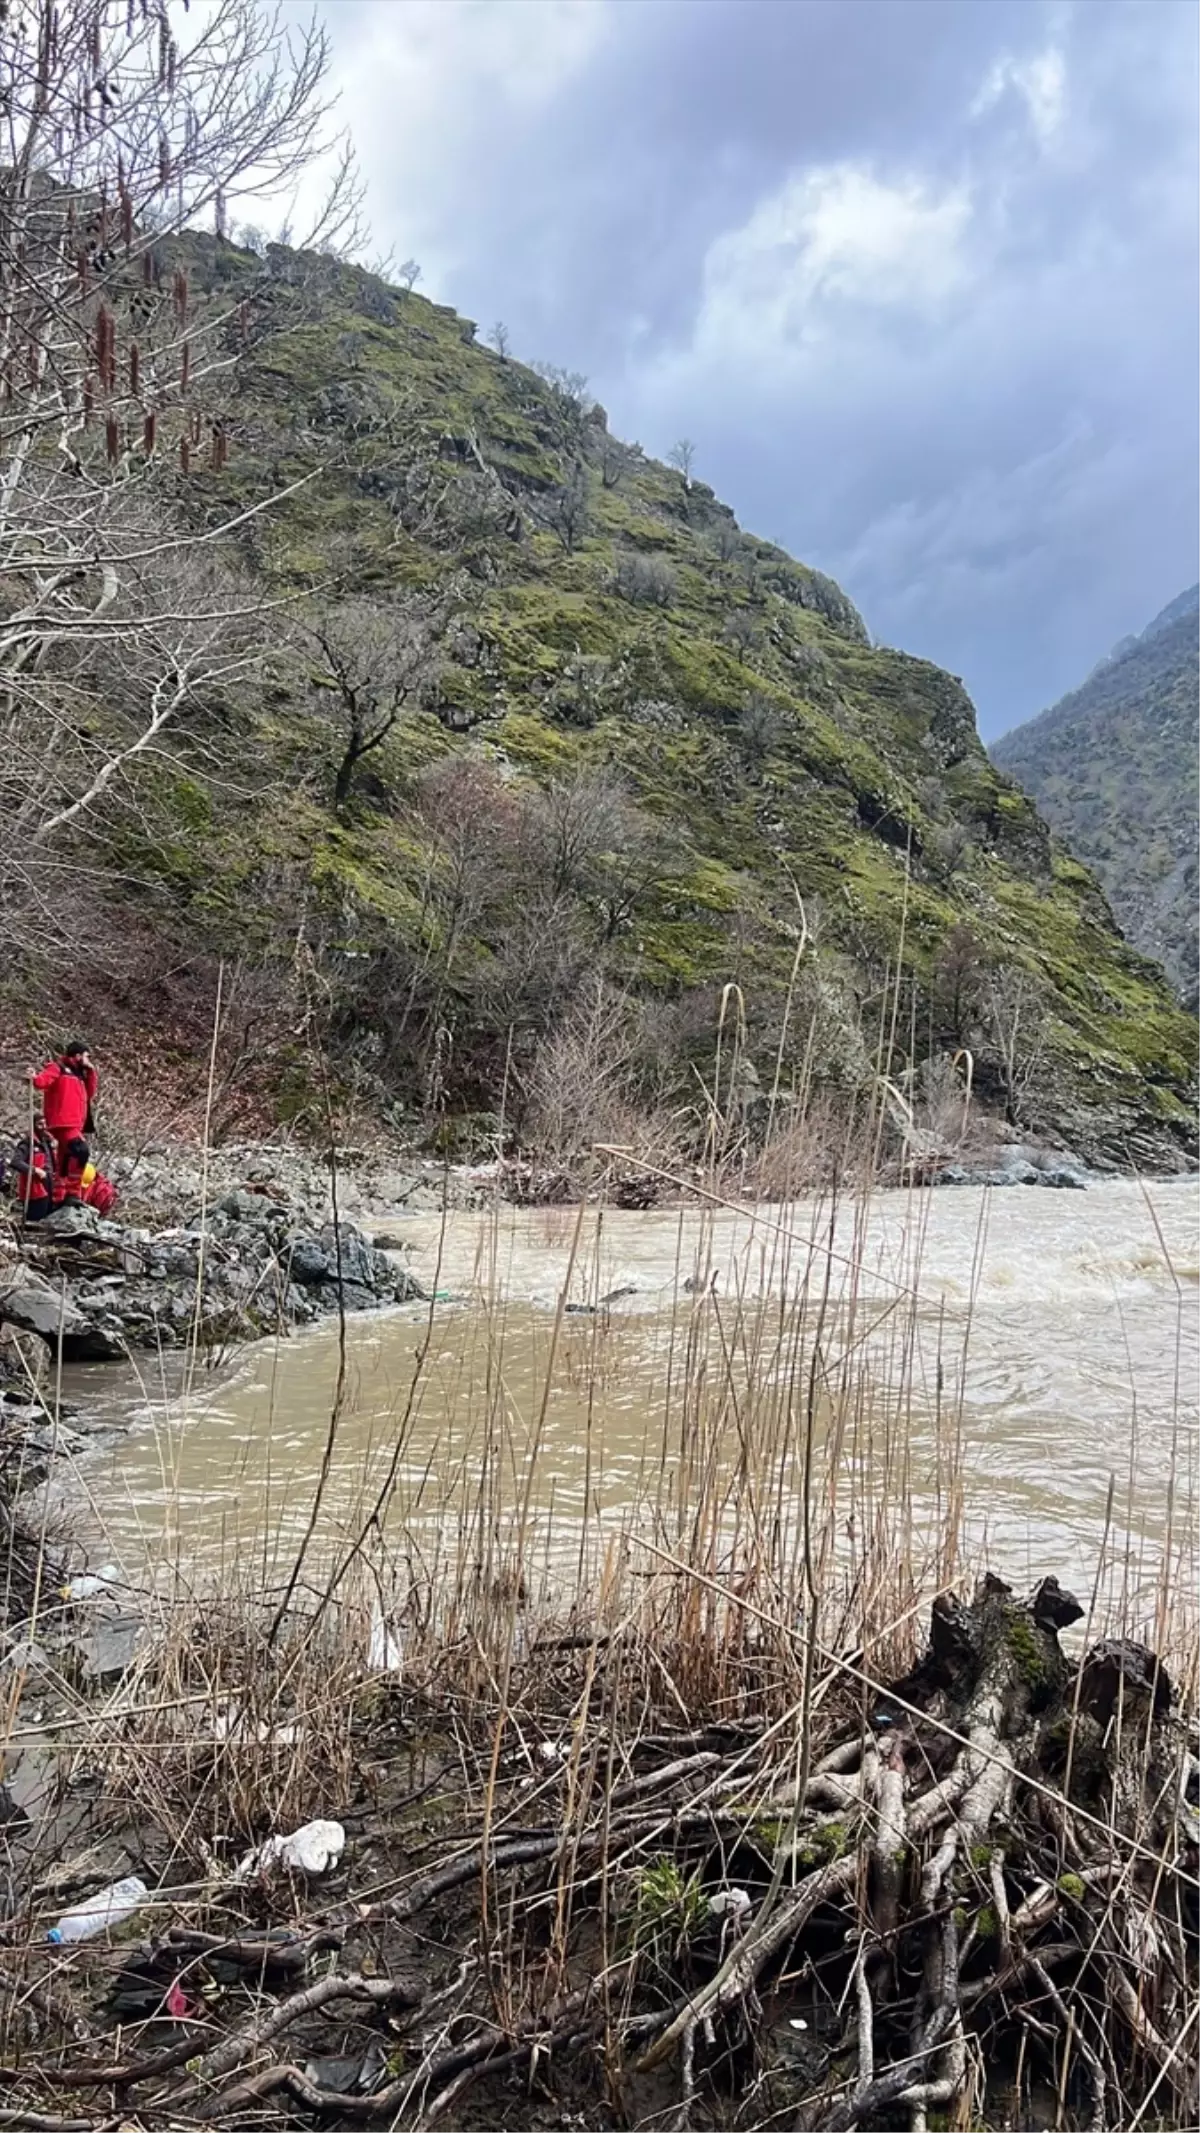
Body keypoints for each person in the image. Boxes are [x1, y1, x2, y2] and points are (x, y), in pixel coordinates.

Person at [29, 1043, 98, 1175]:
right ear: (78, 1056)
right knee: (80, 1151)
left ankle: (62, 1191)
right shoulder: (57, 1068)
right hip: (63, 1122)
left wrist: (91, 1072)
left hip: (75, 1123)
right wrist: (34, 1078)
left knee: (66, 1159)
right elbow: (43, 1080)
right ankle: (72, 1191)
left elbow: (90, 1093)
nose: (88, 1059)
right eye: (86, 1056)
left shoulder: (80, 1075)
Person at [6, 1123, 56, 1224]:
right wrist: (34, 1170)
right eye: (40, 1124)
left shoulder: (47, 1143)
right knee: (35, 1221)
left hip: (50, 1186)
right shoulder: (27, 1144)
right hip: (35, 1189)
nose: (44, 1127)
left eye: (46, 1123)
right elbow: (15, 1162)